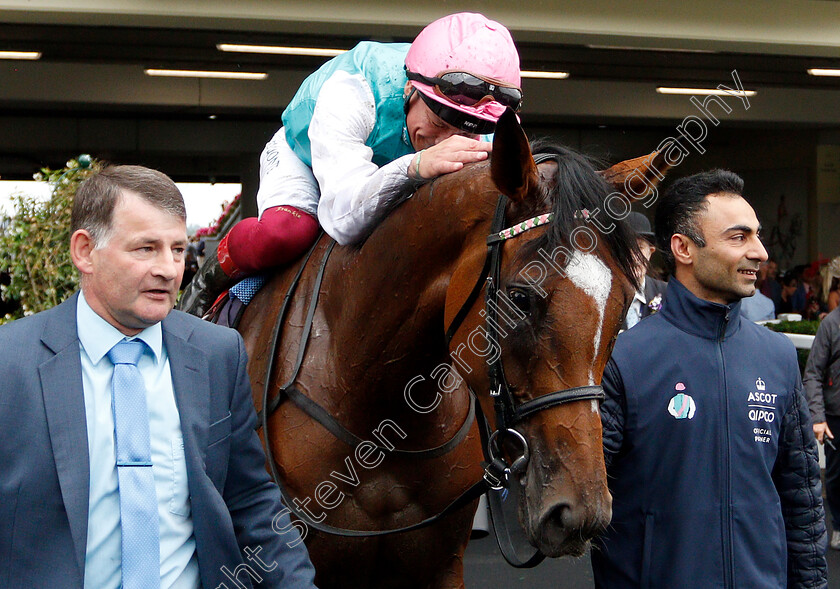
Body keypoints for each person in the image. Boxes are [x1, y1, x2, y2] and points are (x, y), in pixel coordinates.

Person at [0, 165, 317, 588]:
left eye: (177, 249)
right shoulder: (10, 363)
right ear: (84, 251)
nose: (169, 269)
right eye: (146, 249)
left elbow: (250, 502)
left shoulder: (217, 354)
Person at [179, 12, 522, 316]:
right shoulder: (351, 90)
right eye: (439, 123)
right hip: (308, 159)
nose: (444, 141)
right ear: (411, 91)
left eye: (464, 132)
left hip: (380, 172)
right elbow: (343, 220)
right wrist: (413, 167)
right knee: (285, 232)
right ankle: (209, 280)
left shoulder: (495, 128)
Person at [593, 169, 827, 589]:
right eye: (738, 238)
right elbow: (587, 499)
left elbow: (802, 500)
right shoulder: (623, 359)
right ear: (683, 248)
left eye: (757, 235)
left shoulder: (777, 357)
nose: (759, 251)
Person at [804, 303, 840, 550]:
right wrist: (818, 417)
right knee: (837, 477)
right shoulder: (831, 325)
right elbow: (813, 373)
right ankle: (838, 525)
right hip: (836, 415)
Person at [621, 211, 667, 330]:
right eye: (626, 247)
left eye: (640, 247)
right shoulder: (604, 296)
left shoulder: (668, 293)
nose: (633, 256)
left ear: (650, 252)